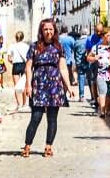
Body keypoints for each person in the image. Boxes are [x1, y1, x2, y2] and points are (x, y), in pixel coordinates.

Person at [22, 18, 74, 157]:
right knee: (36, 117)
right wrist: (28, 84)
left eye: (51, 29)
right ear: (41, 31)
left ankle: (48, 146)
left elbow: (63, 68)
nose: (48, 32)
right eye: (45, 29)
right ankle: (27, 145)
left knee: (52, 118)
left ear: (54, 30)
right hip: (38, 84)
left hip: (55, 86)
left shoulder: (59, 47)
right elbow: (28, 67)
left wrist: (68, 86)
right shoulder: (34, 46)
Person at [87, 28, 110, 118]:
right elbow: (88, 57)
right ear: (102, 36)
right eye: (108, 35)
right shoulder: (96, 48)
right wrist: (94, 58)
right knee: (103, 92)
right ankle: (102, 111)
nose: (109, 38)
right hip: (100, 73)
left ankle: (108, 109)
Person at [85, 22, 106, 105]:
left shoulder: (104, 37)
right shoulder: (89, 39)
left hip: (104, 62)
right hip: (94, 62)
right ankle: (95, 98)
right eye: (97, 31)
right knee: (93, 80)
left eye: (100, 31)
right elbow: (88, 52)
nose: (98, 33)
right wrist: (92, 59)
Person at [8, 31, 29, 112]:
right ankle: (24, 104)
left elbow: (9, 58)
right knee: (23, 86)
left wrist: (12, 61)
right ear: (23, 37)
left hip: (16, 65)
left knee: (17, 86)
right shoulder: (26, 46)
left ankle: (19, 105)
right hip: (24, 65)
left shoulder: (12, 46)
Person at [70, 28, 89, 102]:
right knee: (91, 79)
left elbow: (74, 52)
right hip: (89, 62)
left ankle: (81, 96)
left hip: (79, 62)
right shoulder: (89, 41)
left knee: (81, 78)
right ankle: (94, 97)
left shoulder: (77, 42)